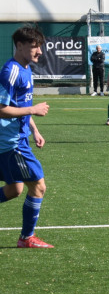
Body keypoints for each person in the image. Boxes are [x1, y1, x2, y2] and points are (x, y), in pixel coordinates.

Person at [0, 25, 53, 248]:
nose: (39, 51)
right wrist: (33, 110)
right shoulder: (11, 71)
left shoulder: (25, 68)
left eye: (40, 47)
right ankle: (26, 238)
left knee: (15, 189)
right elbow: (2, 108)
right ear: (20, 45)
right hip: (12, 143)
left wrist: (34, 129)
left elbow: (20, 104)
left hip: (17, 139)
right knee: (38, 186)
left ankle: (26, 238)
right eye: (34, 46)